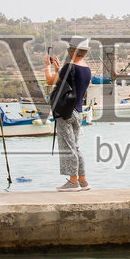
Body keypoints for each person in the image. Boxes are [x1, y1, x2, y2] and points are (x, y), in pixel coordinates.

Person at [44, 38, 93, 191]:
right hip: (78, 112)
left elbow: (50, 81)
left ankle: (73, 182)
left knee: (67, 146)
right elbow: (70, 83)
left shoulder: (69, 67)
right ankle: (83, 181)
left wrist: (47, 67)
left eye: (69, 49)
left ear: (73, 51)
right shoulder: (87, 69)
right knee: (75, 146)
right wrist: (59, 70)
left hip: (66, 112)